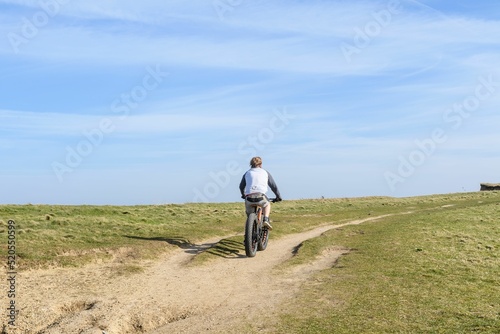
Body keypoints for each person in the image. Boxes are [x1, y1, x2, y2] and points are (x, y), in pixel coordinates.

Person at [239, 157, 282, 230]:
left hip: (249, 198)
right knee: (267, 204)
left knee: (249, 216)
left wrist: (243, 194)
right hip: (261, 197)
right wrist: (278, 196)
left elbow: (241, 186)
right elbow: (273, 186)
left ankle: (249, 232)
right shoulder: (265, 172)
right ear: (261, 164)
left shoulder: (247, 173)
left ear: (251, 164)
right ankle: (266, 219)